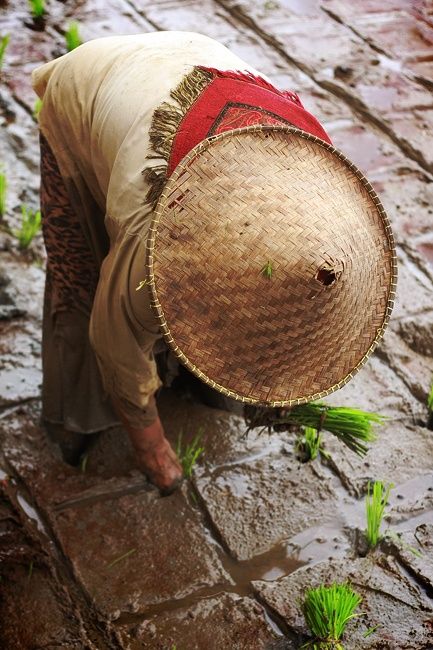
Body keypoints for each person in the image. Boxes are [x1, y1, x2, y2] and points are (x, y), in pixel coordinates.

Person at [32, 32, 397, 495]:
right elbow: (115, 343)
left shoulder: (320, 195)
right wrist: (153, 450)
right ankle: (77, 416)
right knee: (82, 277)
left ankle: (193, 379)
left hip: (189, 69)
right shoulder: (158, 238)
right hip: (93, 90)